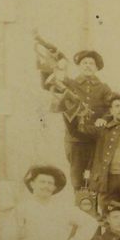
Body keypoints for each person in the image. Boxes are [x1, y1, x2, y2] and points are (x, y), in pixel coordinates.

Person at [49, 49, 113, 188]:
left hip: (95, 138)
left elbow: (111, 107)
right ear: (79, 66)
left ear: (97, 68)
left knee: (95, 177)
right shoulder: (70, 83)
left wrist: (105, 119)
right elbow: (52, 85)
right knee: (77, 177)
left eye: (91, 63)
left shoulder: (104, 88)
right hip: (75, 139)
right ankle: (79, 201)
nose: (88, 66)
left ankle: (92, 201)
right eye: (84, 63)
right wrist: (58, 66)